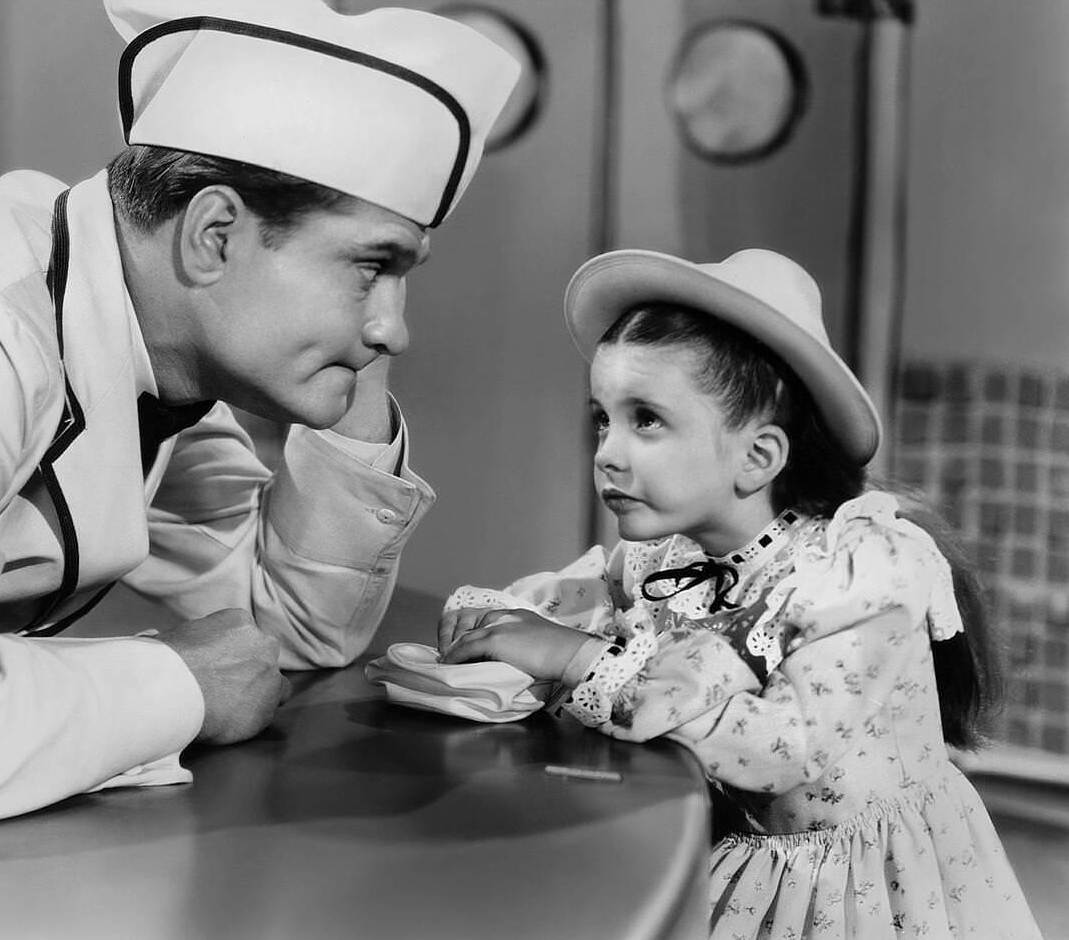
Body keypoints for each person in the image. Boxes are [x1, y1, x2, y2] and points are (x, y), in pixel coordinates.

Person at [0, 0, 519, 844]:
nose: (398, 329)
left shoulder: (156, 354)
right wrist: (176, 684)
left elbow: (278, 631)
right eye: (370, 266)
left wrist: (352, 355)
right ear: (215, 236)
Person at [438, 248, 1043, 939]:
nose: (606, 450)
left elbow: (778, 748)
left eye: (647, 420)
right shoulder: (663, 557)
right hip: (731, 848)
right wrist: (505, 624)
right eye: (602, 417)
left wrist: (577, 658)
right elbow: (570, 607)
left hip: (853, 892)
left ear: (758, 457)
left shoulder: (861, 568)